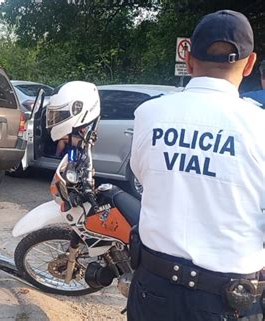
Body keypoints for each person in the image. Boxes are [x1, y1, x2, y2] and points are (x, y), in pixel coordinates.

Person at [127, 10, 264, 321]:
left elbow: (143, 176)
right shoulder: (259, 125)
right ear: (250, 64)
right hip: (228, 301)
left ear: (188, 59)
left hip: (154, 289)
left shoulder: (149, 113)